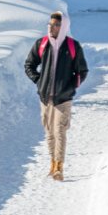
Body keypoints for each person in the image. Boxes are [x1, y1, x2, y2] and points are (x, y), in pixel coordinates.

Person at [24, 10, 88, 181]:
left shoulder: (73, 46)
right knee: (49, 132)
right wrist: (39, 81)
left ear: (64, 26)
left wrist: (70, 87)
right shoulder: (42, 44)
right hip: (45, 98)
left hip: (63, 98)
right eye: (50, 24)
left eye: (56, 25)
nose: (52, 27)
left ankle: (59, 166)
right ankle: (52, 163)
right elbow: (29, 65)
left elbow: (82, 71)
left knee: (60, 130)